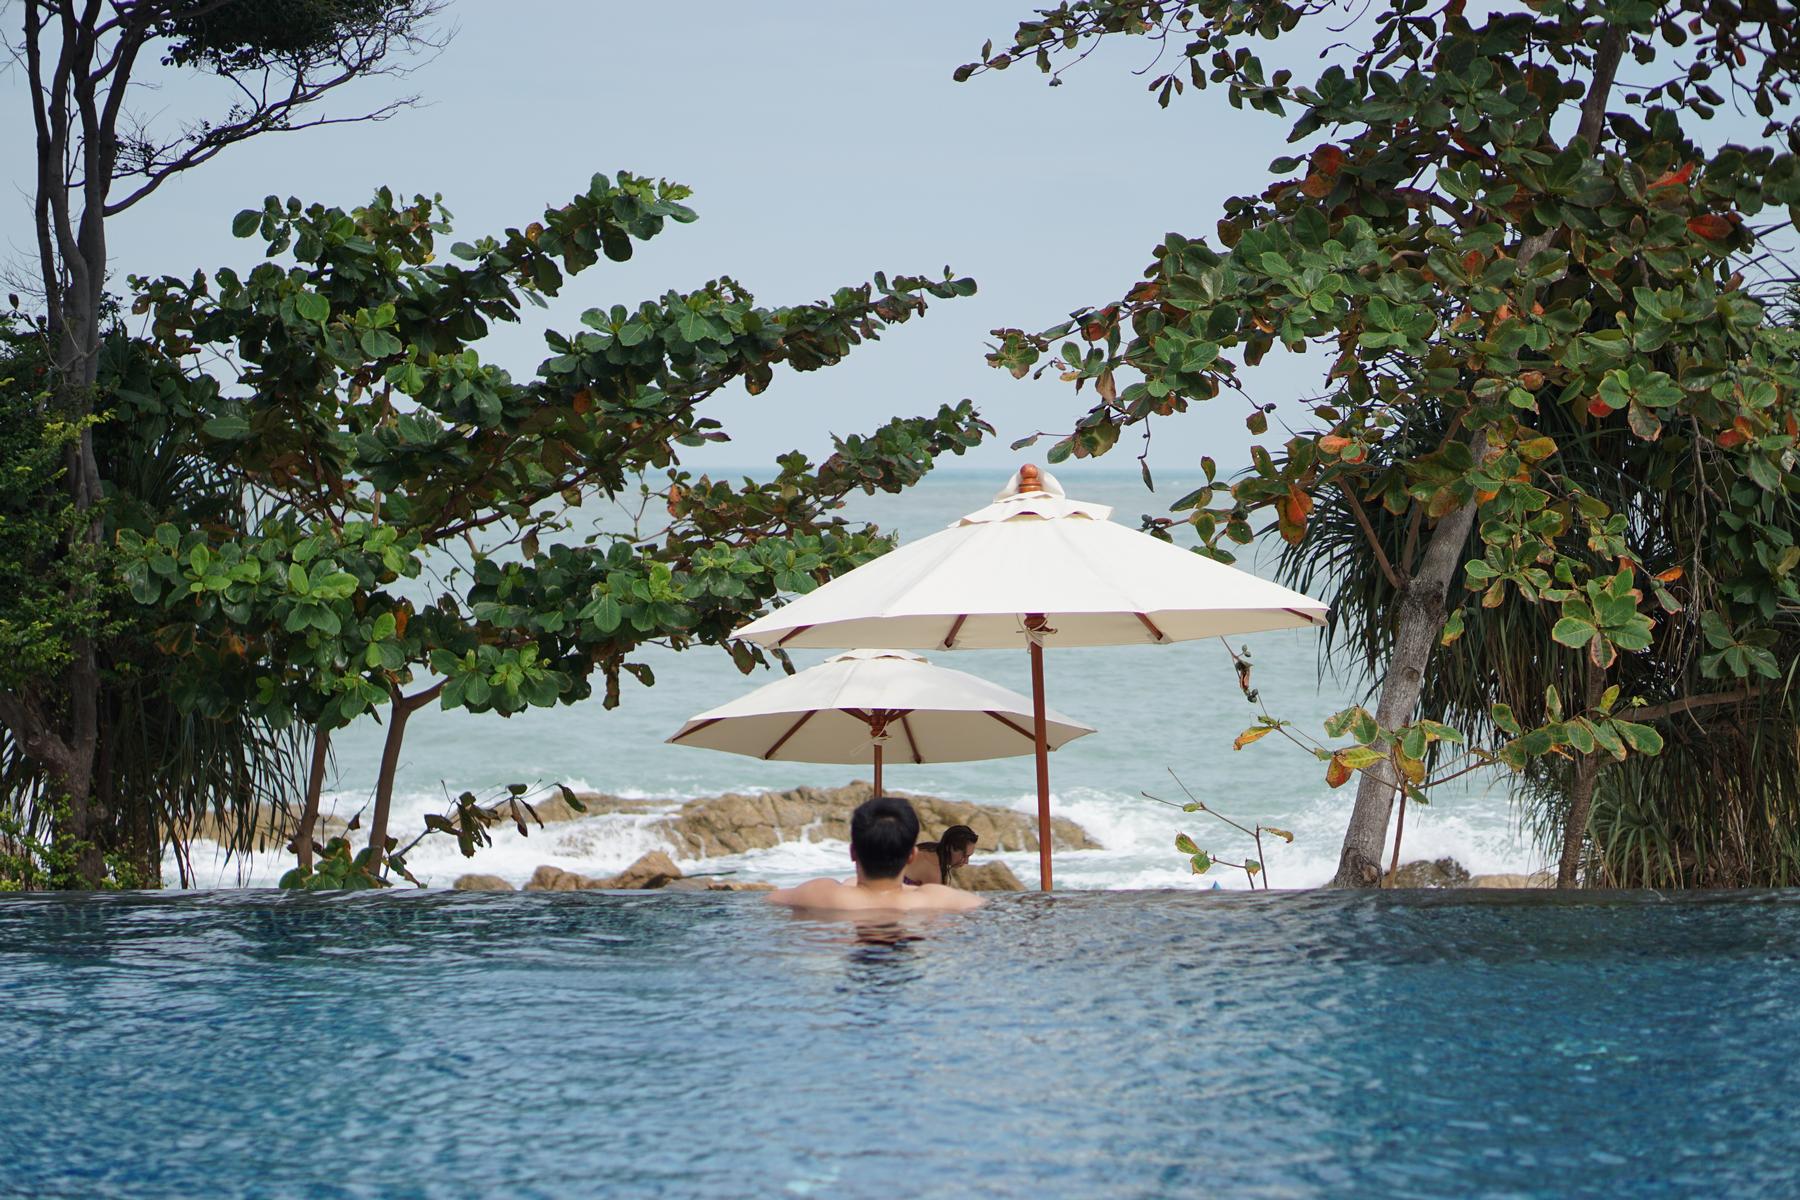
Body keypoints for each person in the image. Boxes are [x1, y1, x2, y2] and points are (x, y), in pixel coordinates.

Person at [767, 796, 982, 912]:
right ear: (911, 856)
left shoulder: (819, 893)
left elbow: (768, 899)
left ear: (852, 852)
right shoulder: (941, 899)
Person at [904, 825, 978, 887]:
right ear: (950, 848)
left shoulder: (928, 848)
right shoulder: (934, 871)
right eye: (964, 856)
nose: (966, 862)